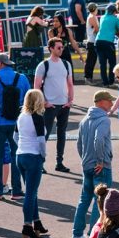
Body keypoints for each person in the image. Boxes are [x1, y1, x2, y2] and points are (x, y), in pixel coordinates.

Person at [0, 53, 30, 199]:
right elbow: (29, 98)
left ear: (0, 64)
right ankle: (16, 191)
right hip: (17, 123)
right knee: (16, 155)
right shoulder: (21, 78)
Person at [73, 90, 115, 238]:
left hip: (87, 165)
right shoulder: (104, 120)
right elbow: (99, 140)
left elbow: (79, 144)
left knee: (84, 199)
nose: (111, 104)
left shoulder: (84, 120)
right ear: (101, 101)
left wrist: (85, 159)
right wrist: (100, 161)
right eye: (109, 101)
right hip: (100, 167)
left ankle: (77, 233)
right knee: (102, 201)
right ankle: (95, 234)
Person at [34, 38, 75, 174]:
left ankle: (59, 162)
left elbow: (70, 83)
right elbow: (36, 86)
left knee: (61, 134)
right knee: (44, 134)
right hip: (49, 106)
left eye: (62, 47)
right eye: (58, 47)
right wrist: (45, 102)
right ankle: (40, 162)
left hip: (64, 104)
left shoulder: (66, 64)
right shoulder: (43, 65)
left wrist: (70, 100)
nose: (61, 49)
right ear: (51, 48)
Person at [15, 89, 49, 238]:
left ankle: (36, 222)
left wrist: (23, 147)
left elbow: (15, 136)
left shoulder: (21, 116)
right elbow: (41, 140)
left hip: (20, 155)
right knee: (31, 193)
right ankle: (27, 225)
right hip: (33, 156)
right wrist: (43, 155)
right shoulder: (38, 117)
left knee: (31, 190)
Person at [96, 4, 119, 87]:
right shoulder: (115, 19)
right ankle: (111, 81)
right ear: (114, 11)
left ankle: (105, 82)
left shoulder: (102, 17)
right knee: (112, 63)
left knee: (102, 63)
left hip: (98, 41)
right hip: (108, 42)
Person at [83, 3, 99, 83]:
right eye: (96, 8)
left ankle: (89, 78)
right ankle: (87, 77)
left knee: (92, 60)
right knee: (90, 61)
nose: (97, 10)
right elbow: (97, 28)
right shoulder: (92, 17)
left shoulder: (92, 16)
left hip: (92, 41)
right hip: (92, 41)